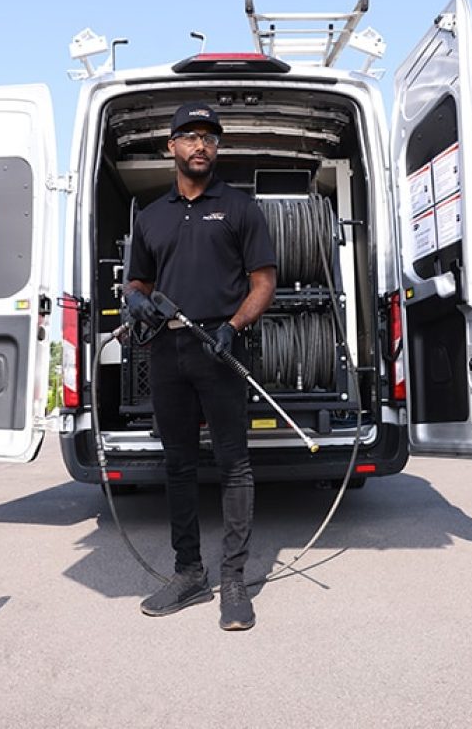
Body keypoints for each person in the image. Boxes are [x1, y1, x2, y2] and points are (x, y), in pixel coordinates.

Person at [125, 102, 277, 631]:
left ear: (217, 148)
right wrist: (135, 301)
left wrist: (232, 329)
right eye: (189, 137)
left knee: (234, 465)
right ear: (171, 147)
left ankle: (233, 582)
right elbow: (137, 282)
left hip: (223, 347)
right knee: (179, 465)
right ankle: (188, 573)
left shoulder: (239, 208)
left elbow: (264, 283)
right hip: (167, 353)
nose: (200, 146)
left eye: (209, 137)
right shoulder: (151, 216)